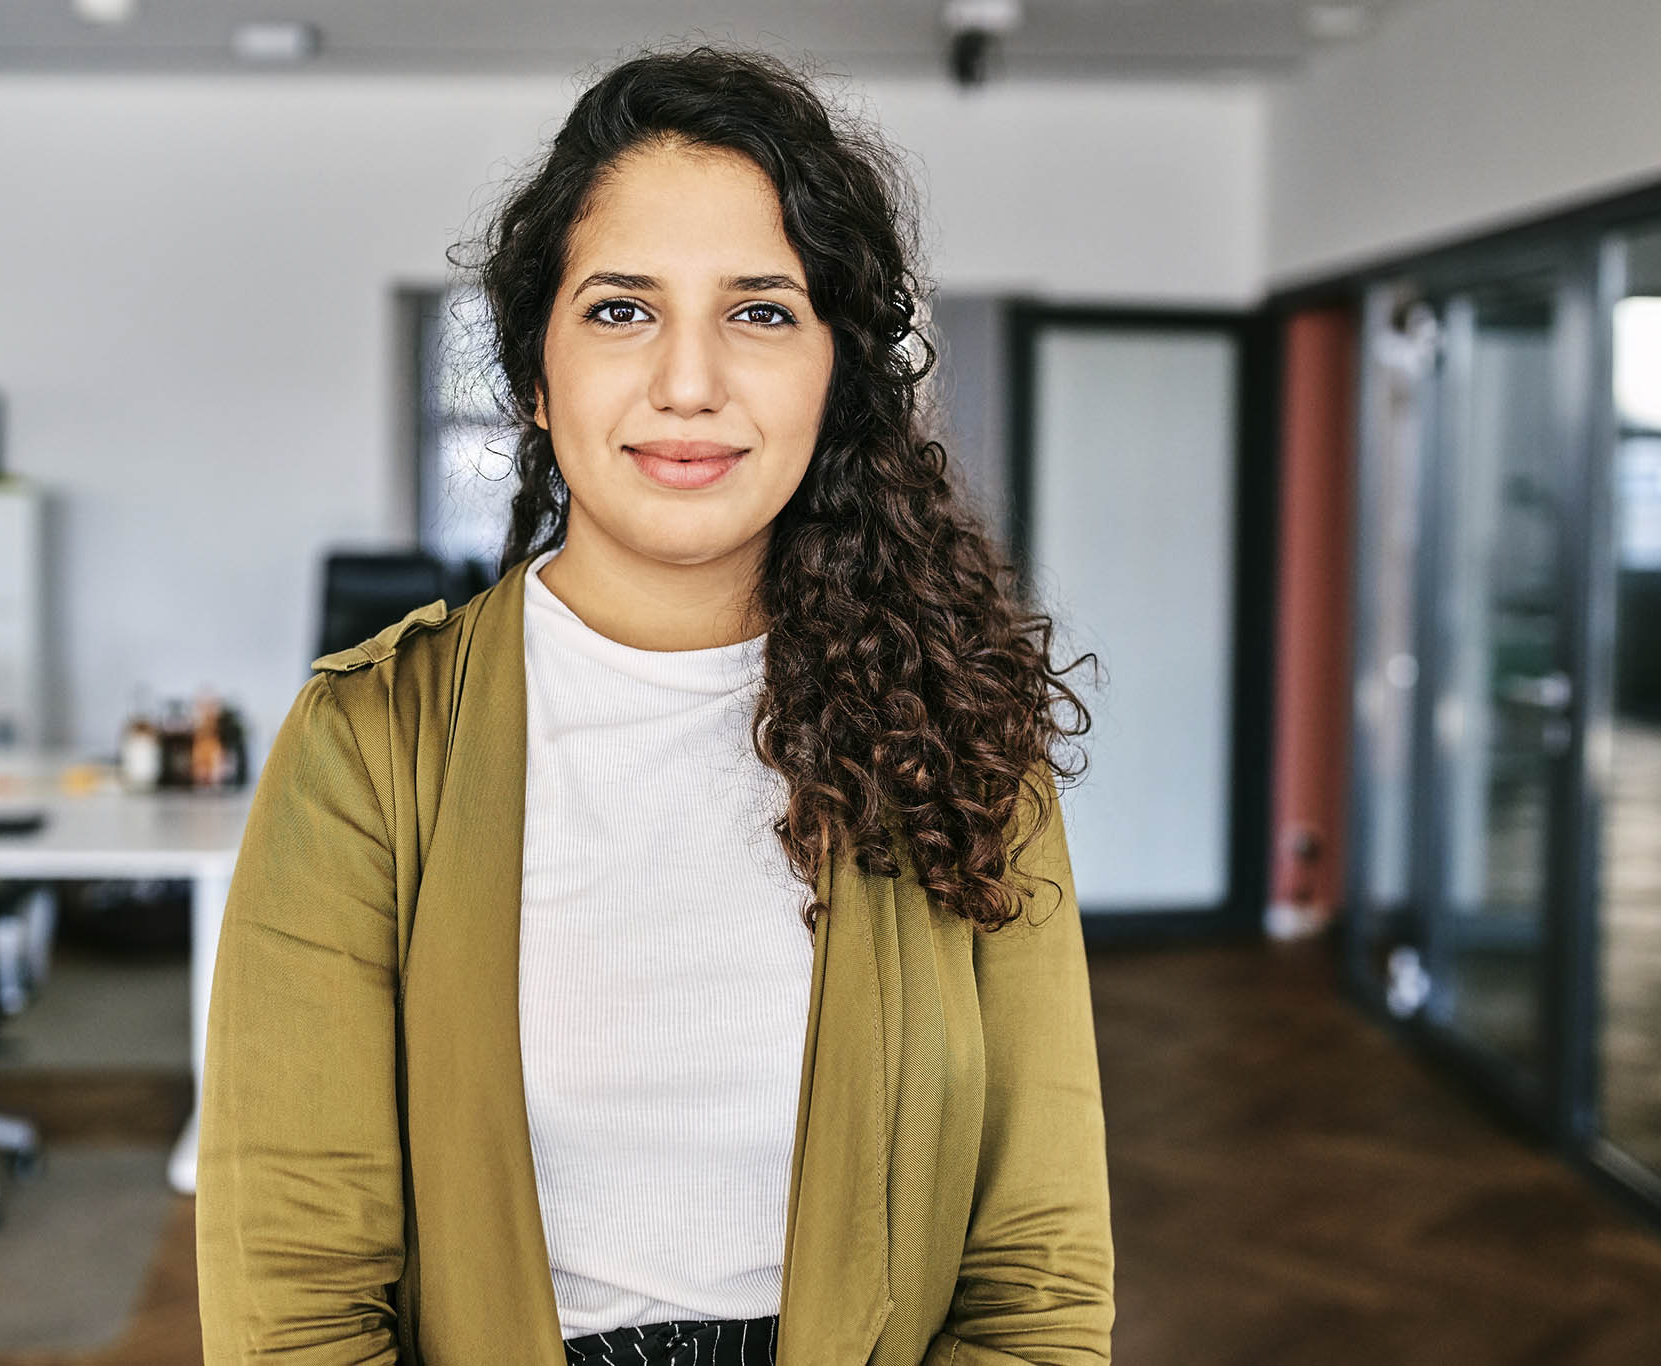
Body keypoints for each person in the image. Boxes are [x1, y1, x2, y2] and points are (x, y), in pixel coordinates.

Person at [196, 43, 1112, 1366]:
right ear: (533, 374)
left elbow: (1040, 1270)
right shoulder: (367, 751)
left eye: (761, 310)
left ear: (837, 374)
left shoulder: (954, 731)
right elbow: (294, 1301)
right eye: (623, 310)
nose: (689, 383)